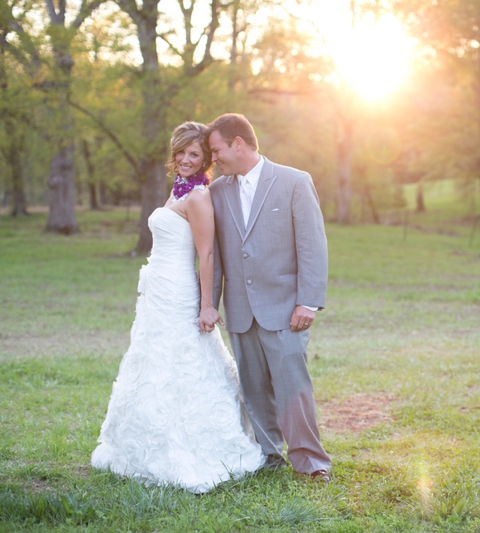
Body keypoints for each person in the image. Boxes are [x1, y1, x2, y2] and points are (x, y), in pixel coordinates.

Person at [91, 122, 265, 494]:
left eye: (195, 154)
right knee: (153, 361)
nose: (186, 160)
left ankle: (192, 445)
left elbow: (206, 254)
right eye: (181, 153)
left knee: (184, 361)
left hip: (182, 292)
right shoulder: (178, 189)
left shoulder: (199, 196)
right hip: (159, 292)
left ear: (205, 159)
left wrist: (207, 306)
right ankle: (143, 442)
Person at [202, 113, 331, 481]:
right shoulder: (216, 192)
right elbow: (214, 255)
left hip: (286, 309)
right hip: (241, 311)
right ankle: (267, 457)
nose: (215, 160)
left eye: (217, 150)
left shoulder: (294, 182)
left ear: (238, 144)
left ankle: (311, 463)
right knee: (254, 391)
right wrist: (208, 304)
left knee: (294, 389)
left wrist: (308, 301)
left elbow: (312, 245)